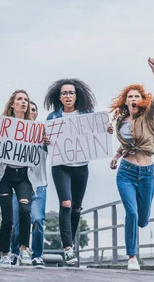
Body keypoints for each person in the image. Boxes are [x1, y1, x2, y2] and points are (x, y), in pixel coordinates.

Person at [44, 78, 113, 265]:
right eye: (64, 93)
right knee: (66, 203)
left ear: (76, 96)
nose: (68, 96)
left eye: (71, 93)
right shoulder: (52, 118)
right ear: (59, 97)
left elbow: (99, 135)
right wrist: (45, 142)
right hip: (61, 167)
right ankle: (67, 249)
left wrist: (106, 131)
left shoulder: (87, 115)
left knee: (76, 207)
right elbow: (45, 148)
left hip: (81, 167)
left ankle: (70, 246)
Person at [109, 58, 154, 271]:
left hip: (147, 173)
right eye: (130, 96)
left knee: (142, 219)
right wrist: (115, 156)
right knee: (131, 213)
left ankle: (138, 232)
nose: (133, 99)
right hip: (126, 173)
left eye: (137, 96)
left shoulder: (149, 116)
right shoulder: (120, 122)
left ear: (142, 100)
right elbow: (126, 145)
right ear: (125, 101)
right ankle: (132, 256)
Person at [9, 100, 47, 268]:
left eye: (33, 110)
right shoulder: (14, 133)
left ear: (36, 114)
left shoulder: (43, 133)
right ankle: (15, 252)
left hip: (38, 184)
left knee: (38, 219)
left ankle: (37, 255)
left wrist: (47, 141)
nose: (30, 113)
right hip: (19, 184)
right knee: (17, 223)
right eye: (28, 110)